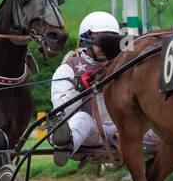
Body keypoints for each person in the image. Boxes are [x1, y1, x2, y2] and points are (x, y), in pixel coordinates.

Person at [50, 11, 124, 165]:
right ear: (86, 39)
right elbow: (63, 112)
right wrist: (81, 88)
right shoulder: (68, 69)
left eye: (112, 40)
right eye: (103, 40)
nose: (107, 46)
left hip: (126, 130)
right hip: (93, 132)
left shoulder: (125, 64)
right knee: (81, 120)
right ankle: (66, 145)